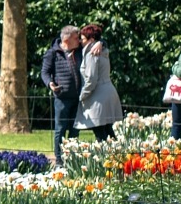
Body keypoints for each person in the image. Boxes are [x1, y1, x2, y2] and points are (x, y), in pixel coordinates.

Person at [41, 25, 84, 161]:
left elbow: (98, 40)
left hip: (77, 98)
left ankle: (72, 158)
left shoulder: (79, 50)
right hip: (62, 98)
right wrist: (50, 84)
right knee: (60, 129)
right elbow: (45, 72)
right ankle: (59, 159)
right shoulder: (53, 53)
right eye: (76, 38)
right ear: (67, 39)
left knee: (75, 129)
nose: (79, 40)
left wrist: (100, 44)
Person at [74, 23, 122, 142]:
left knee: (100, 133)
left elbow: (91, 79)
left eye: (83, 39)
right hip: (108, 93)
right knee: (108, 131)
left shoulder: (92, 54)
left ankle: (107, 159)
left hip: (97, 97)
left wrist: (82, 96)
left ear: (91, 39)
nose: (81, 41)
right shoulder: (104, 51)